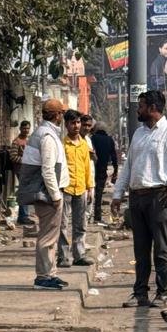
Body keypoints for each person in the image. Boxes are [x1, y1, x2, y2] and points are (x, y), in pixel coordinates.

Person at [112, 89, 167, 308]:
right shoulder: (138, 134)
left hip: (159, 196)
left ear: (152, 108)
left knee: (161, 248)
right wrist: (117, 194)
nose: (137, 110)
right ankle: (140, 293)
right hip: (137, 196)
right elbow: (128, 166)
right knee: (140, 249)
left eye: (141, 106)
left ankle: (163, 293)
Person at [17, 99, 70, 290]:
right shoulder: (47, 136)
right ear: (57, 115)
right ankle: (43, 277)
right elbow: (48, 170)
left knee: (51, 237)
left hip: (47, 191)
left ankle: (51, 273)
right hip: (48, 193)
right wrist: (56, 196)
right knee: (47, 237)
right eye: (61, 113)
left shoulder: (44, 133)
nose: (62, 117)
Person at [58, 110, 92, 269]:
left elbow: (87, 167)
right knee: (62, 225)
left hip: (81, 189)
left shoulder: (84, 144)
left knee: (80, 224)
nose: (77, 126)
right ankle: (64, 256)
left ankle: (79, 255)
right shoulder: (62, 145)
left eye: (78, 122)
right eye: (73, 123)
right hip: (65, 188)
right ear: (66, 125)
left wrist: (89, 187)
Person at [91, 123, 119, 222]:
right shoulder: (109, 140)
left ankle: (87, 215)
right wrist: (115, 170)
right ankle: (97, 216)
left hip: (92, 169)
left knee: (90, 192)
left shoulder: (92, 138)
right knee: (99, 194)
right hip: (103, 170)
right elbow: (114, 156)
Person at [9, 120, 32, 224]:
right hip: (20, 170)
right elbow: (13, 157)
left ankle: (23, 216)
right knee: (24, 192)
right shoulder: (16, 142)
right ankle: (23, 216)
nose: (26, 130)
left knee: (26, 191)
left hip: (28, 170)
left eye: (27, 128)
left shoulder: (30, 140)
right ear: (20, 129)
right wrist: (25, 160)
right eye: (24, 128)